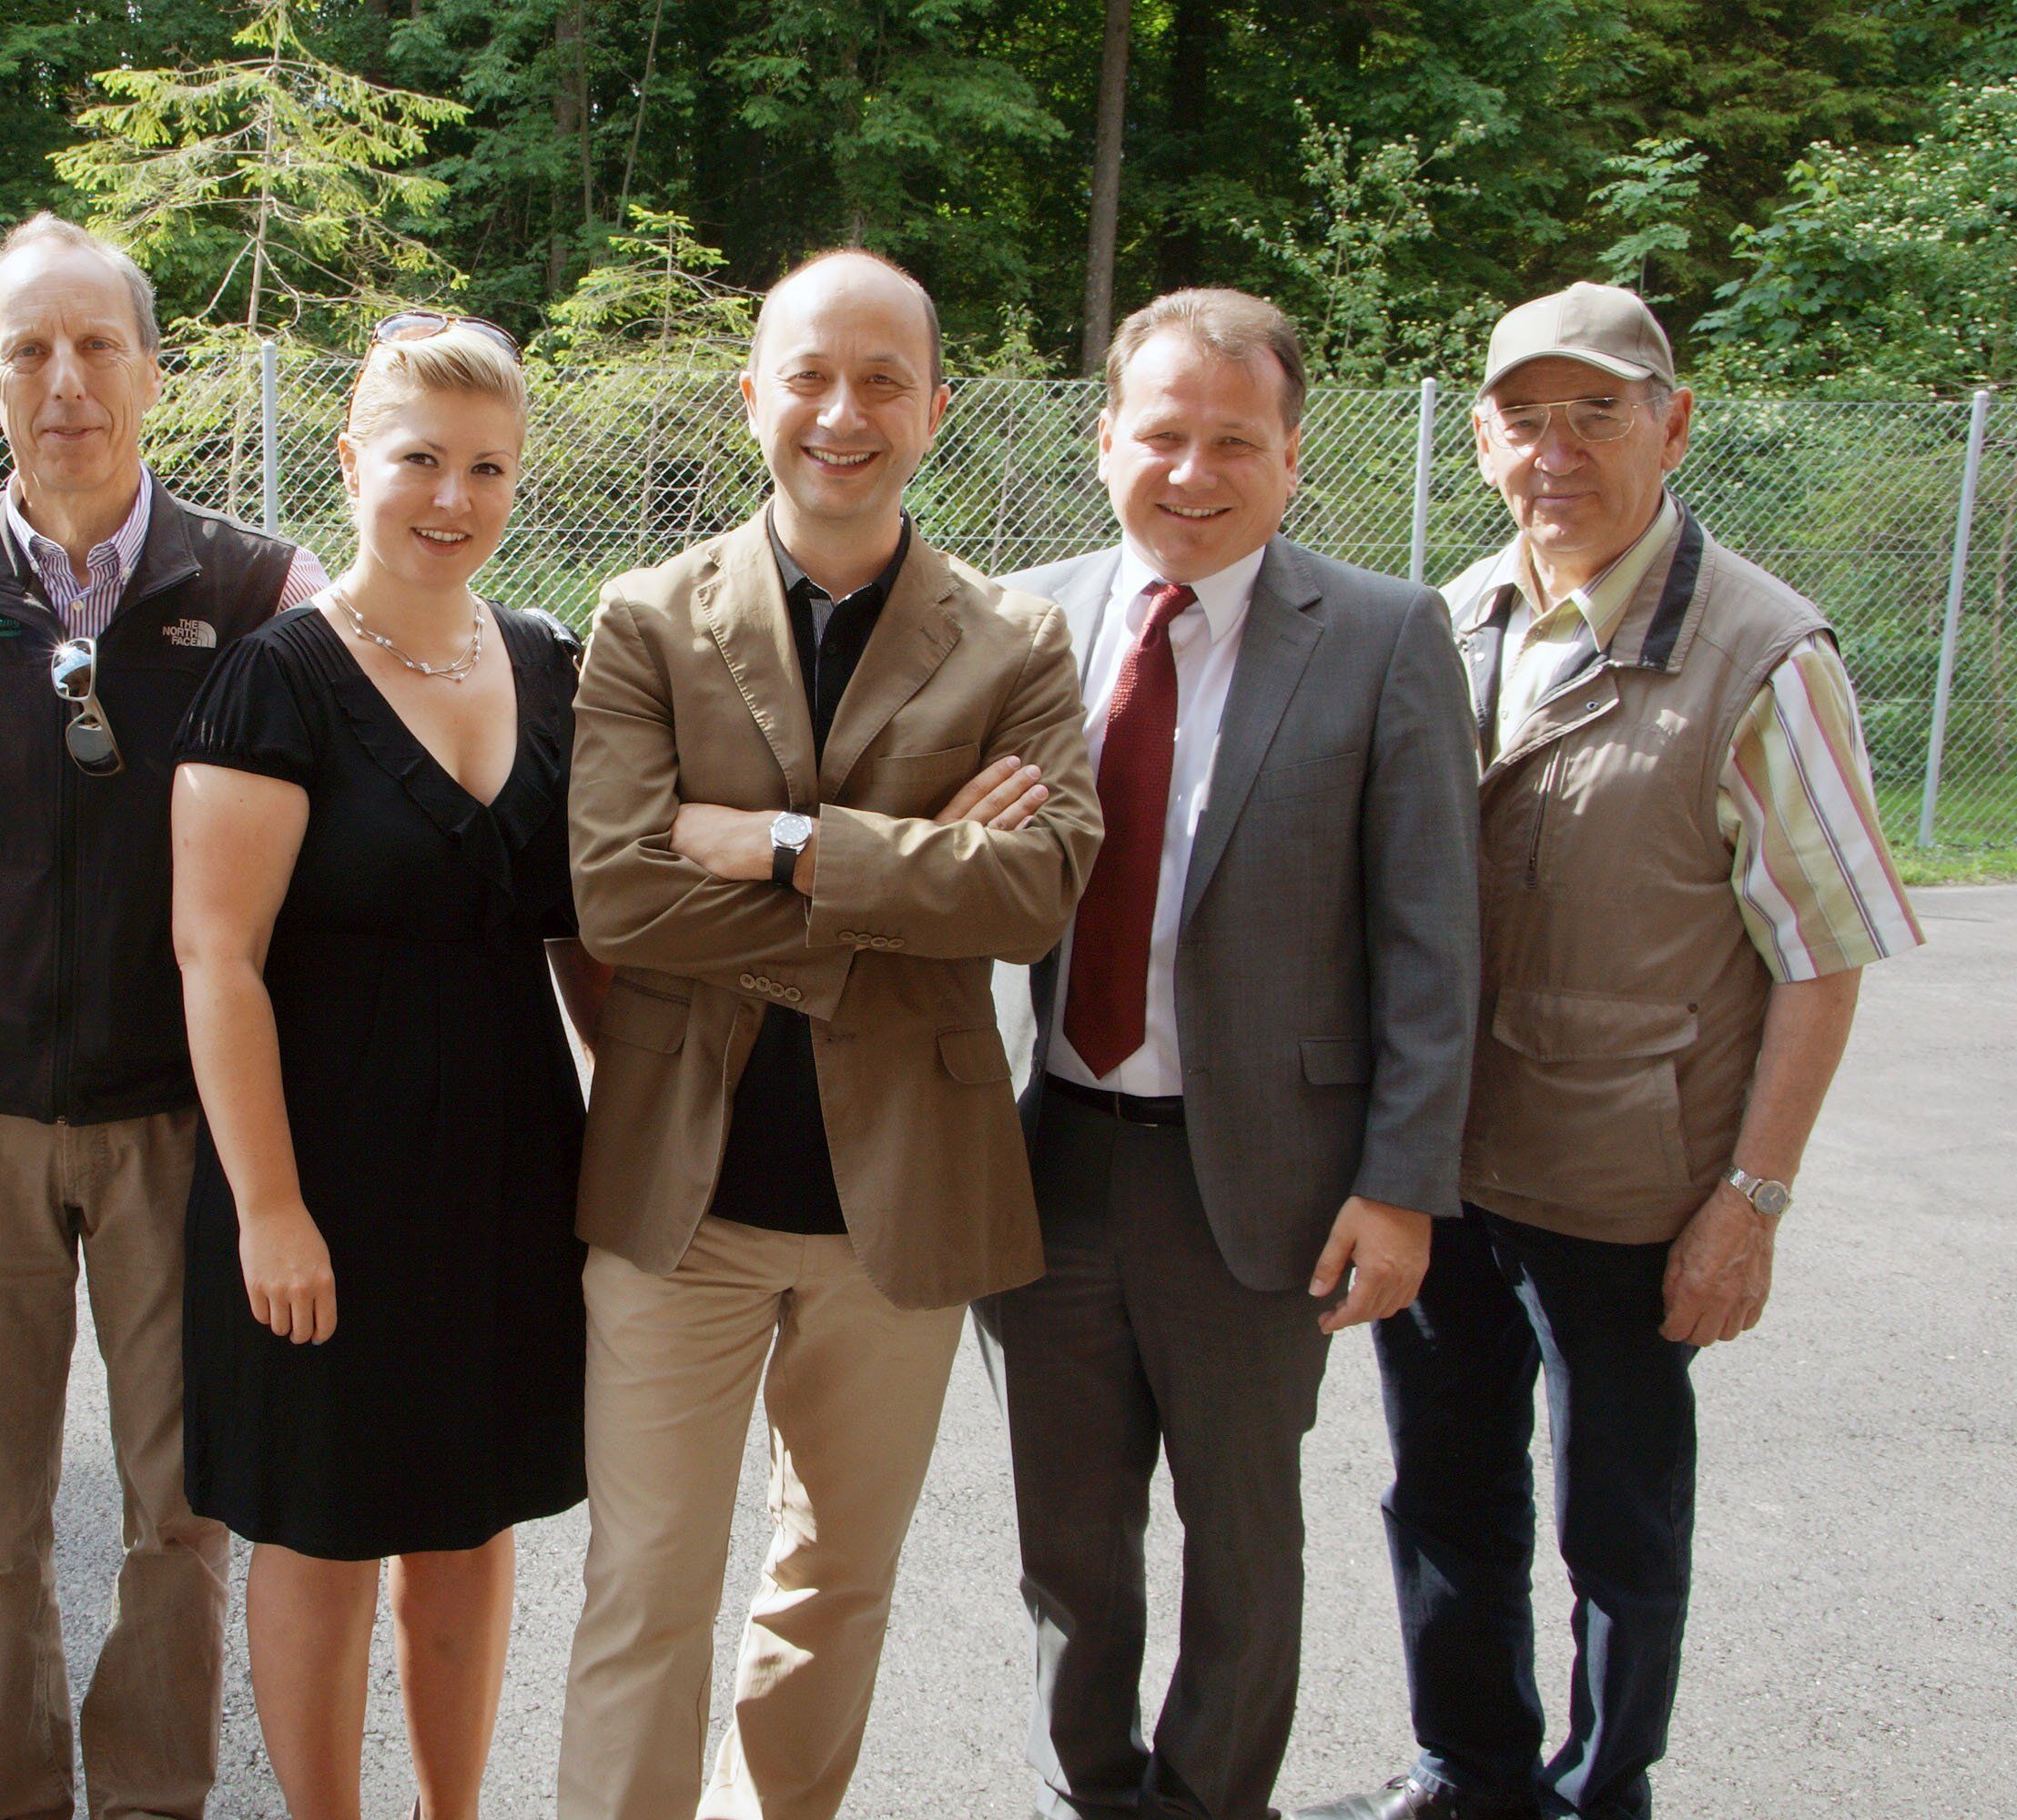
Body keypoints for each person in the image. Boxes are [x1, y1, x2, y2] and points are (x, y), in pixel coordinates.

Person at [1296, 284, 1924, 1820]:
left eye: (1599, 413)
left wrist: (1750, 1204)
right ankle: (1469, 1773)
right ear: (1482, 438)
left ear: (1674, 426)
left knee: (1618, 1524)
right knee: (1445, 1497)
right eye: (1524, 418)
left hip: (1632, 1186)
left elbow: (1823, 955)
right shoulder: (1448, 621)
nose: (1556, 451)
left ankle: (1599, 1791)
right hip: (1441, 1168)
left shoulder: (1761, 654)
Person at [558, 248, 1105, 1820]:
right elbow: (619, 898)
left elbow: (1036, 892)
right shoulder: (649, 619)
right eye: (809, 376)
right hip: (682, 1199)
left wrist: (787, 844)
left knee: (836, 1585)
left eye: (882, 381)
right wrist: (917, 873)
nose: (842, 414)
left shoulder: (1015, 639)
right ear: (754, 397)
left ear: (936, 406)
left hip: (900, 1206)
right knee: (647, 1587)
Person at [0, 214, 328, 1820]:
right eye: (29, 350)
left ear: (153, 372)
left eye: (98, 345)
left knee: (179, 1510)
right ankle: (14, 1798)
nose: (67, 382)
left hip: (175, 1118)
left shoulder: (259, 587)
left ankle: (150, 1798)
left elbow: (308, 880)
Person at [975, 288, 1481, 1820]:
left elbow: (1433, 942)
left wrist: (1402, 1187)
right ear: (1105, 441)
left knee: (1244, 1543)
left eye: (1236, 442)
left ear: (1293, 455)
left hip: (1262, 1180)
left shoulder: (1385, 636)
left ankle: (1210, 1803)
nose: (1194, 473)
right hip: (1045, 1163)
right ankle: (1092, 1793)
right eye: (1163, 435)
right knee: (1068, 1544)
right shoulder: (1015, 619)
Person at [169, 313, 594, 1820]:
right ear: (351, 462)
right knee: (323, 1531)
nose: (451, 497)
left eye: (487, 467)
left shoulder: (546, 661)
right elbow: (216, 957)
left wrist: (642, 1122)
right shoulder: (273, 682)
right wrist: (269, 1208)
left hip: (508, 1163)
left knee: (472, 1525)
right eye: (418, 458)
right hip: (325, 1165)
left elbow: (578, 932)